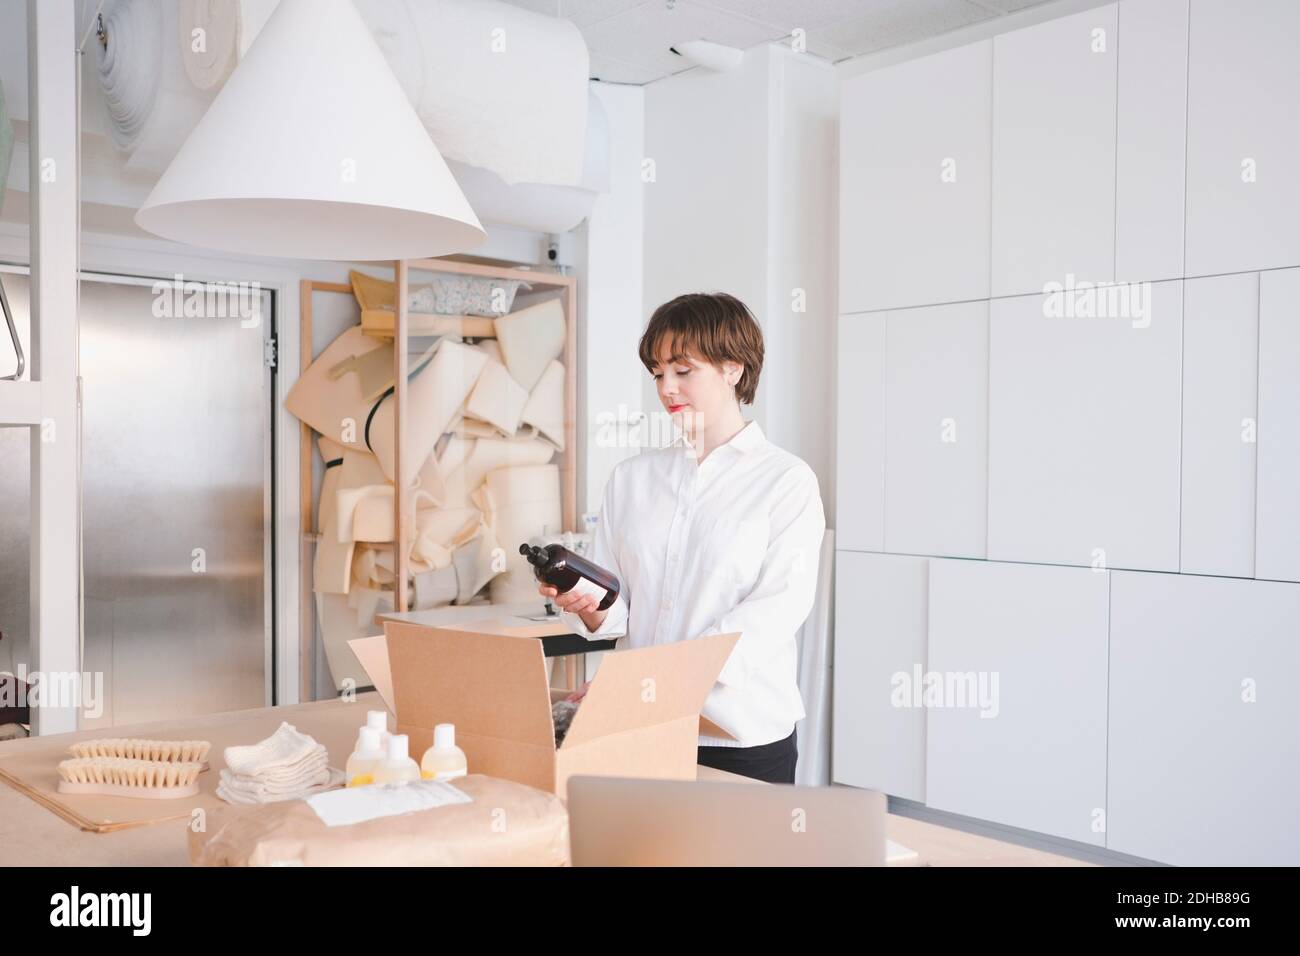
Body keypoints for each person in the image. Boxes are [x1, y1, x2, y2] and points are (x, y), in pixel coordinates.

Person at [538, 292, 826, 783]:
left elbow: (771, 615)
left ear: (734, 369)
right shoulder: (632, 479)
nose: (666, 386)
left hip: (738, 734)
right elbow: (620, 611)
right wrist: (588, 604)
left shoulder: (786, 481)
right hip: (639, 727)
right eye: (657, 372)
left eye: (682, 369)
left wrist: (649, 683)